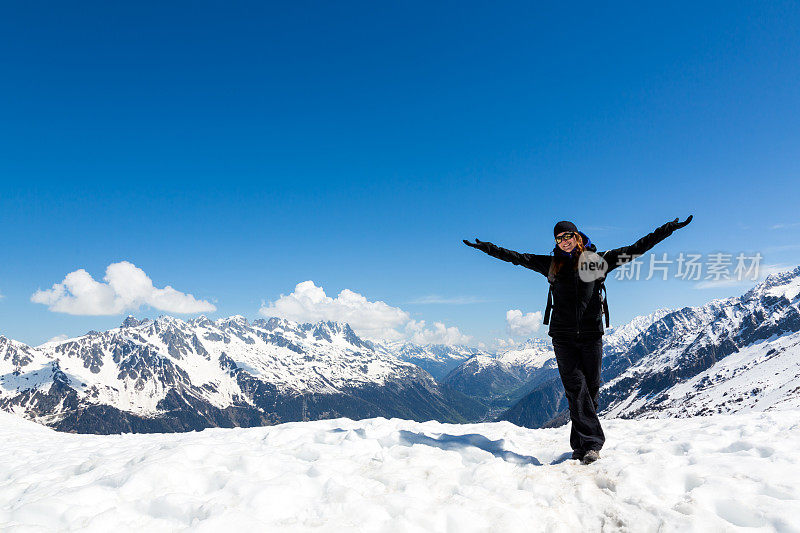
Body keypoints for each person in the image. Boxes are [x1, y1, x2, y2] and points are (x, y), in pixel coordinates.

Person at [463, 216, 693, 464]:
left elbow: (636, 249)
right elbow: (517, 258)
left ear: (577, 237)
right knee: (576, 388)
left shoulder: (597, 262)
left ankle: (578, 445)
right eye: (559, 238)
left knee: (590, 392)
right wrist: (486, 247)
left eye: (568, 236)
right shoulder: (552, 264)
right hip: (562, 337)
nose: (564, 241)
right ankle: (593, 444)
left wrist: (668, 229)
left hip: (592, 336)